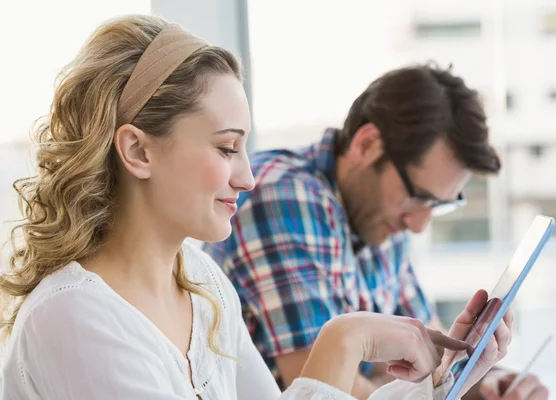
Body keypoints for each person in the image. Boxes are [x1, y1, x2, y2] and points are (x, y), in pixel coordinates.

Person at [0, 15, 510, 400]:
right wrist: (344, 339)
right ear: (138, 151)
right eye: (225, 148)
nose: (246, 177)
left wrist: (444, 382)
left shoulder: (198, 283)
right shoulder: (75, 317)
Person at [203, 64, 549, 400]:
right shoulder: (282, 196)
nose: (419, 225)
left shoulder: (382, 213)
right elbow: (326, 389)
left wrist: (488, 382)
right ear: (367, 145)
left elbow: (427, 358)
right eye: (419, 197)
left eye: (437, 205)